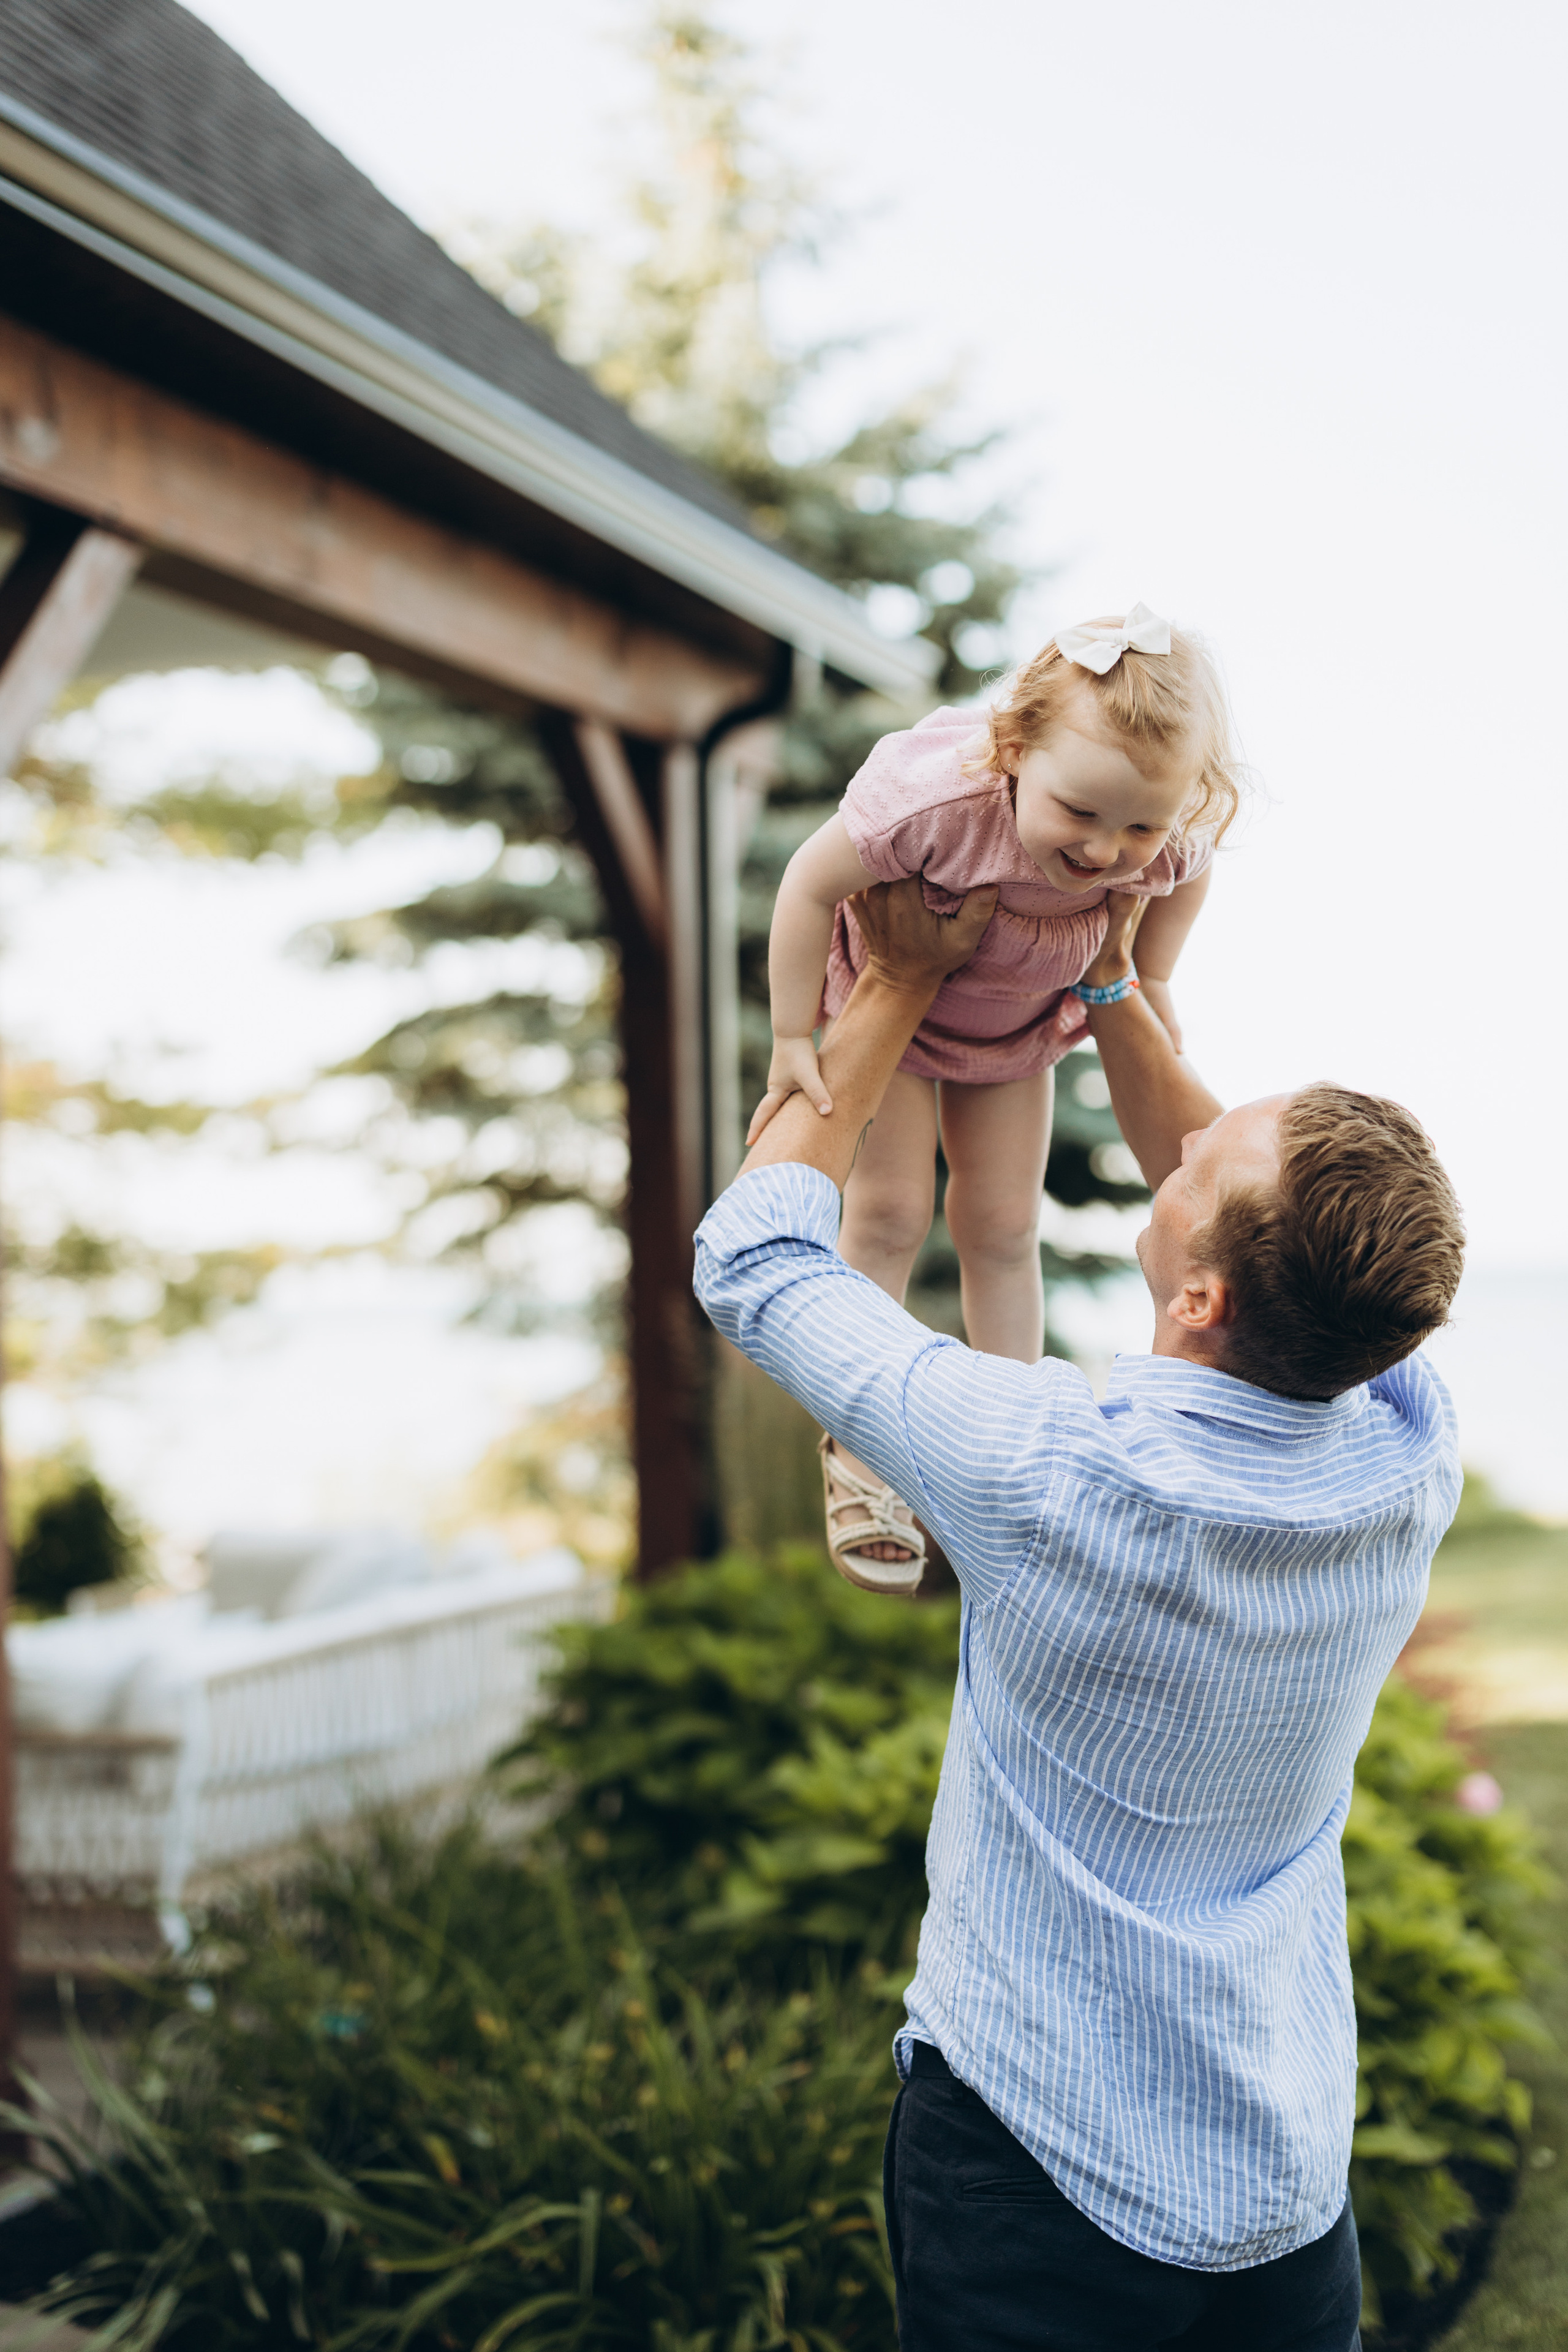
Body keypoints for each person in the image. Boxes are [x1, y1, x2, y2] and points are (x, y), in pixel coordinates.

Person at [693, 876, 1464, 2352]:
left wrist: (896, 991)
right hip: (1279, 2195)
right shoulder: (1401, 1448)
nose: (1174, 1149)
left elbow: (752, 1257)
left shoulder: (1041, 1465)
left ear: (1199, 1300)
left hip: (1032, 2181)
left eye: (1197, 1166)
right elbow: (1257, 1208)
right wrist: (1106, 983)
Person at [745, 607, 1243, 1594]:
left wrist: (1158, 976)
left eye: (1140, 825)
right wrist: (791, 1038)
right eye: (1081, 813)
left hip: (1015, 1036)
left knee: (1004, 1226)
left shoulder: (1166, 836)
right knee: (888, 1215)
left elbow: (1190, 877)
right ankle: (862, 1456)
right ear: (1013, 752)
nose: (1107, 851)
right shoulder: (933, 812)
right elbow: (806, 886)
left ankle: (1016, 1441)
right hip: (890, 1015)